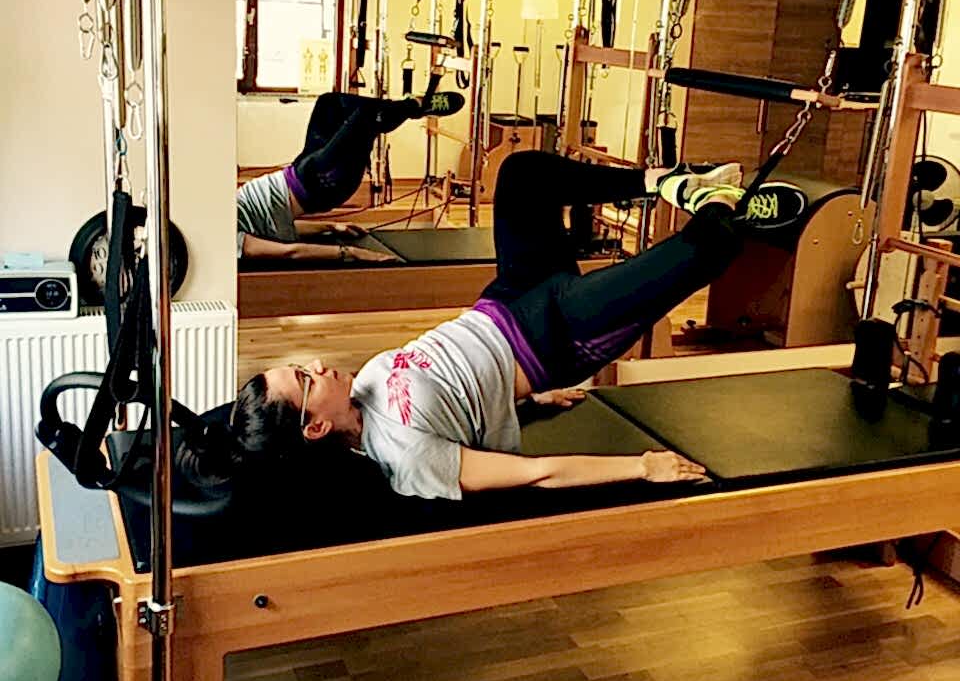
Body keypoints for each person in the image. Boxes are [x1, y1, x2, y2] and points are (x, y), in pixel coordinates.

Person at [216, 152, 807, 497]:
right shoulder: (407, 459)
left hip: (508, 298)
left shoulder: (365, 387)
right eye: (305, 379)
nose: (317, 365)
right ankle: (730, 207)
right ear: (315, 427)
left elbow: (458, 392)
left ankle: (666, 182)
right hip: (557, 336)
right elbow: (534, 474)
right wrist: (642, 467)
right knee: (702, 251)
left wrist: (526, 404)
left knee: (522, 173)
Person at [237, 89, 465, 262]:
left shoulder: (222, 218)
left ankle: (412, 107)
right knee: (366, 116)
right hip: (323, 183)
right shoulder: (227, 242)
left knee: (329, 102)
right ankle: (413, 106)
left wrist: (330, 226)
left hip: (302, 175)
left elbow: (278, 226)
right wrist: (351, 253)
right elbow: (289, 251)